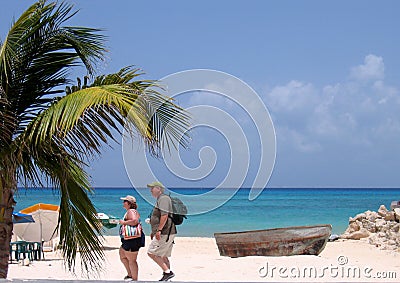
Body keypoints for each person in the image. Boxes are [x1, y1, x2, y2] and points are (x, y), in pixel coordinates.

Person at [147, 181, 176, 281]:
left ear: (159, 189)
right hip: (167, 232)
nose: (150, 190)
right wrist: (154, 231)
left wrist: (158, 230)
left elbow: (164, 215)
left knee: (152, 253)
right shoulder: (162, 199)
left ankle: (168, 272)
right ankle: (168, 276)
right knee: (163, 256)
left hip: (165, 232)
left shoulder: (163, 199)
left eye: (152, 188)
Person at [119, 195, 142, 281]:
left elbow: (135, 221)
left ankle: (134, 279)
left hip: (132, 239)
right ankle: (130, 274)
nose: (123, 203)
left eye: (124, 201)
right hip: (128, 239)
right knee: (122, 255)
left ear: (129, 203)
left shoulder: (131, 211)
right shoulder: (131, 211)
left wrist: (123, 222)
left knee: (132, 260)